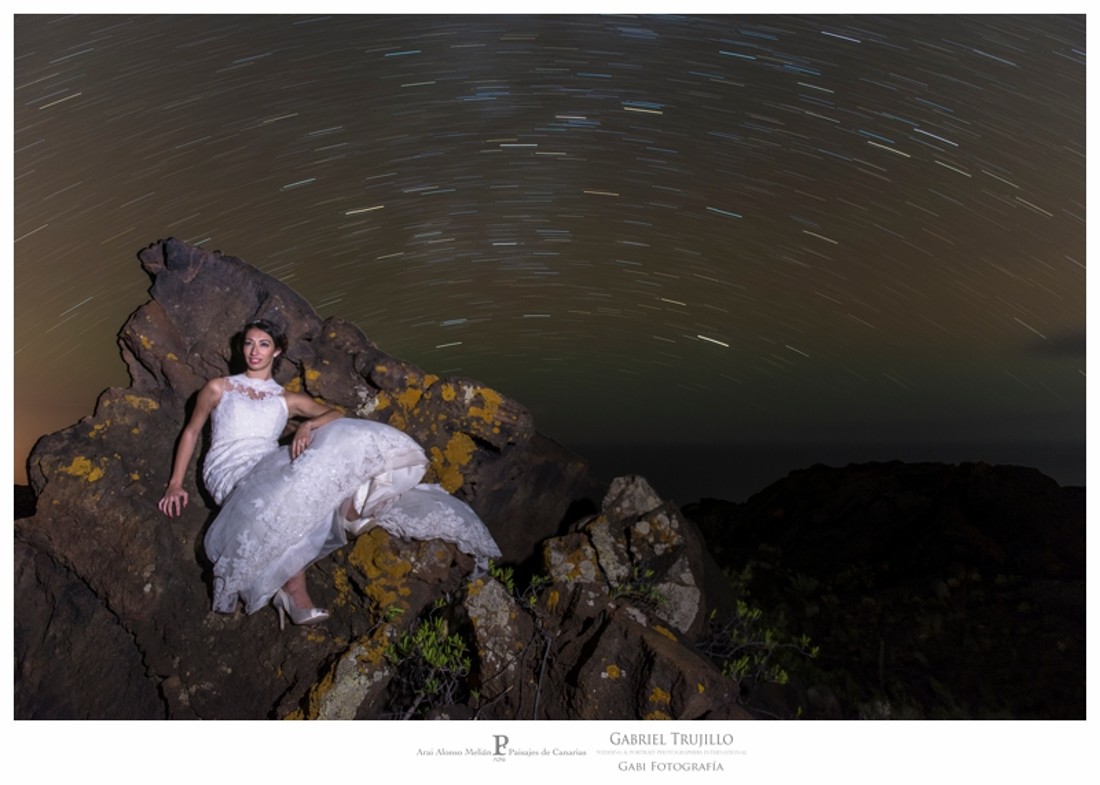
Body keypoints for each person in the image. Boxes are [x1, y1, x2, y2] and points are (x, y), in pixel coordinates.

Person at [158, 319, 501, 629]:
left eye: (263, 344)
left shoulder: (285, 398)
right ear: (241, 347)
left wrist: (309, 425)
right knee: (294, 492)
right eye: (249, 343)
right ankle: (299, 587)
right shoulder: (220, 388)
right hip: (230, 471)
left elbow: (335, 414)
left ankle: (348, 512)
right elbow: (191, 432)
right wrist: (175, 484)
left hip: (269, 464)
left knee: (328, 449)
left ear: (276, 351)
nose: (254, 351)